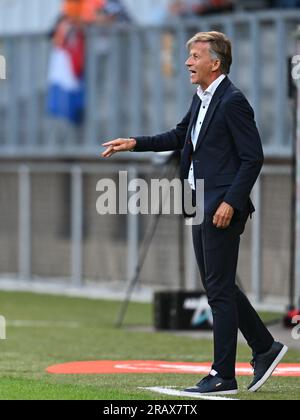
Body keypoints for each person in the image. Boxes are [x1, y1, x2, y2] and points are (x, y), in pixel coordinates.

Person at [101, 31, 288, 395]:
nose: (188, 62)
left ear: (214, 63)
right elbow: (179, 135)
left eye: (195, 56)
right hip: (199, 201)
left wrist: (231, 202)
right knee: (220, 287)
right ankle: (265, 348)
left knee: (218, 292)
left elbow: (253, 157)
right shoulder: (201, 98)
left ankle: (223, 376)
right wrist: (135, 143)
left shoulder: (232, 101)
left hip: (220, 206)